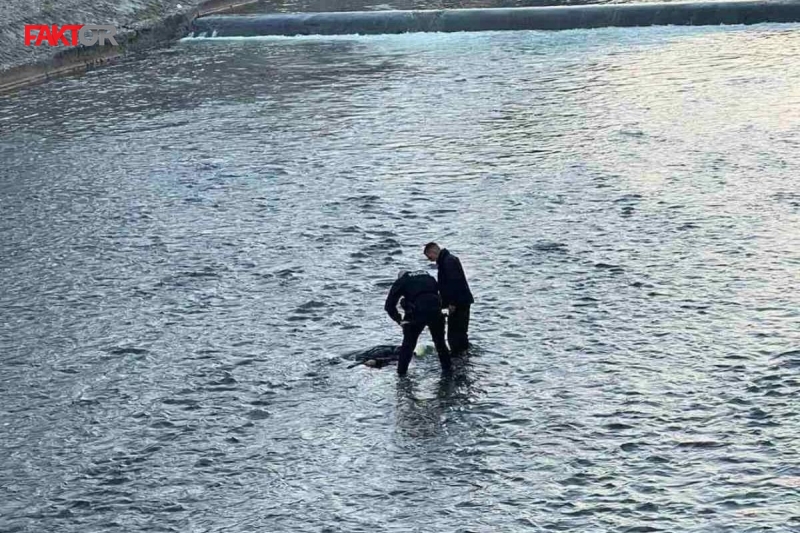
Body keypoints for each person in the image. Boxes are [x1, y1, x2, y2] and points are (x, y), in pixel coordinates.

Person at [385, 270, 451, 376]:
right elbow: (443, 292)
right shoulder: (429, 277)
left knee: (408, 345)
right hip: (436, 312)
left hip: (417, 314)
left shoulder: (403, 281)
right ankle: (448, 371)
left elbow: (389, 305)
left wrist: (400, 320)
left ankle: (401, 374)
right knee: (440, 343)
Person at [423, 243, 474, 354]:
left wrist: (452, 303)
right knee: (459, 331)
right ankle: (463, 353)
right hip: (461, 301)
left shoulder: (448, 262)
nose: (430, 260)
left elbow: (454, 283)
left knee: (455, 332)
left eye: (429, 257)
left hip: (458, 303)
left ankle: (458, 355)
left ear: (432, 252)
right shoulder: (448, 260)